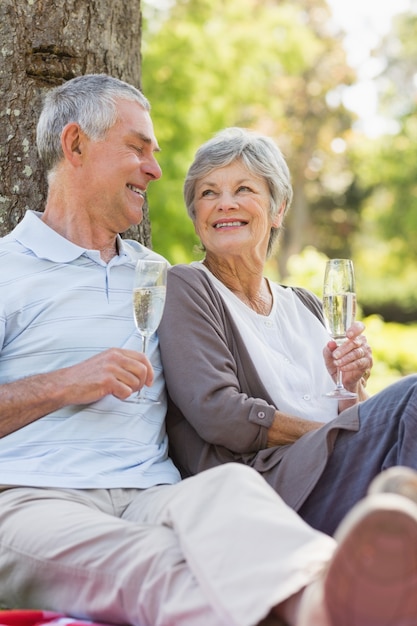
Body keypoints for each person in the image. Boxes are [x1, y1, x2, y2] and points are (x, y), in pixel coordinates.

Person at [4, 72, 415, 626]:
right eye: (137, 149)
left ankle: (337, 593)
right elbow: (219, 407)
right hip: (34, 497)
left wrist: (350, 393)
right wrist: (64, 383)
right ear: (75, 144)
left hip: (153, 492)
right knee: (156, 563)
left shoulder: (153, 274)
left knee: (234, 493)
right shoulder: (7, 270)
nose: (155, 169)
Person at [158, 125, 417, 537]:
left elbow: (349, 414)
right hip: (268, 486)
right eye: (208, 193)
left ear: (278, 209)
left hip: (333, 472)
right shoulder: (189, 287)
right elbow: (219, 414)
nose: (225, 204)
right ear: (196, 217)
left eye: (243, 189)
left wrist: (350, 387)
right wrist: (340, 438)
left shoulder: (305, 304)